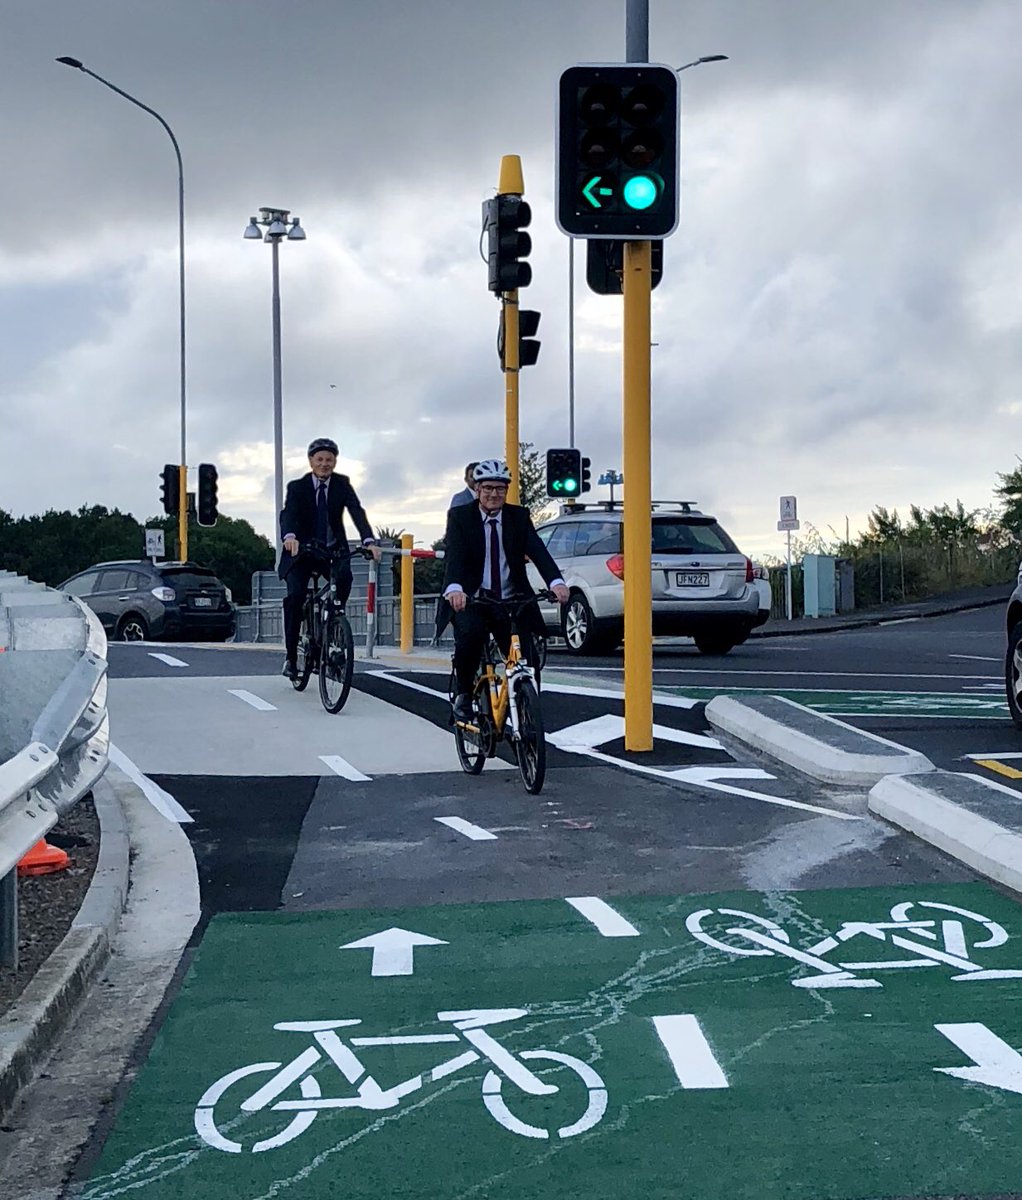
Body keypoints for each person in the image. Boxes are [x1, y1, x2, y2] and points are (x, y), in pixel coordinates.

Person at [442, 458, 569, 721]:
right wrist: (455, 588)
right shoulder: (461, 517)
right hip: (473, 599)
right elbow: (454, 555)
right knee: (470, 638)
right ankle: (464, 694)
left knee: (528, 655)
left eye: (500, 488)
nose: (493, 494)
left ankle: (526, 705)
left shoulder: (518, 517)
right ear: (477, 490)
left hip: (510, 600)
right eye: (487, 488)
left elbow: (538, 551)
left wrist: (556, 582)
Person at [278, 437, 380, 679]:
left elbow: (356, 511)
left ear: (335, 461)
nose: (324, 464)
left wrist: (368, 540)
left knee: (344, 578)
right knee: (295, 597)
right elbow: (288, 513)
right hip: (301, 552)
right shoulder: (297, 487)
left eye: (329, 460)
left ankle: (333, 622)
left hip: (331, 551)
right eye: (320, 459)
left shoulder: (342, 485)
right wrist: (290, 536)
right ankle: (291, 657)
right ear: (311, 461)